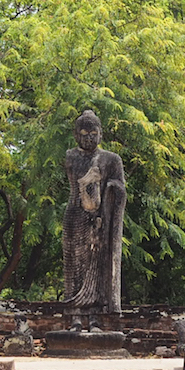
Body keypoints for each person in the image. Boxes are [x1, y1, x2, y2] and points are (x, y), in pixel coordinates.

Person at [62, 109, 125, 326]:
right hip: (75, 215)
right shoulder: (71, 156)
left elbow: (120, 188)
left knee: (98, 266)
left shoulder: (111, 159)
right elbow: (77, 181)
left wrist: (110, 188)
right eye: (84, 133)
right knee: (75, 266)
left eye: (93, 133)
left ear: (101, 134)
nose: (89, 137)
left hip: (100, 219)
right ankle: (76, 318)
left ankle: (97, 318)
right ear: (76, 135)